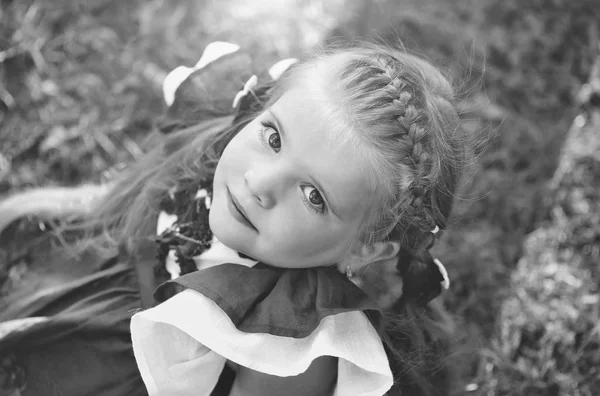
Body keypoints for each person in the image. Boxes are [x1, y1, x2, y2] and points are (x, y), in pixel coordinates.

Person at [0, 41, 468, 396]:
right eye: (273, 137)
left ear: (366, 246)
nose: (260, 183)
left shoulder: (292, 345)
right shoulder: (221, 166)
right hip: (111, 297)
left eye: (313, 196)